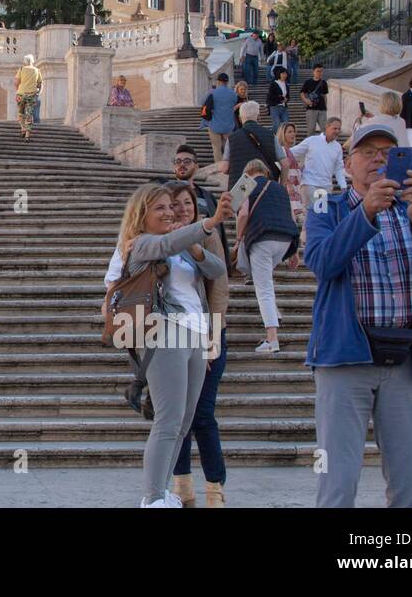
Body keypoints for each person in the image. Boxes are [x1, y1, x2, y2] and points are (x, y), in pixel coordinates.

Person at [305, 122, 412, 508]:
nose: (378, 159)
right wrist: (366, 213)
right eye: (367, 151)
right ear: (348, 163)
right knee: (336, 482)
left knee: (409, 483)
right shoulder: (327, 204)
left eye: (388, 152)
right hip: (344, 358)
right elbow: (322, 262)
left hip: (404, 360)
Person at [105, 183, 232, 507]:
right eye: (159, 208)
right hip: (164, 332)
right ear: (141, 214)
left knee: (185, 420)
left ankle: (162, 492)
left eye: (170, 207)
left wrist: (196, 247)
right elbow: (166, 241)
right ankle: (152, 498)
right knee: (168, 418)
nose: (168, 212)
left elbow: (218, 269)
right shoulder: (142, 244)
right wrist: (207, 222)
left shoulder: (180, 245)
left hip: (195, 333)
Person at [165, 180, 230, 508]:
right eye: (176, 204)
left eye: (188, 203)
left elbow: (219, 288)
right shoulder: (161, 240)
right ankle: (183, 487)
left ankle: (215, 490)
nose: (183, 209)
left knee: (202, 415)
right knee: (178, 417)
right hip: (172, 339)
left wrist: (211, 340)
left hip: (207, 334)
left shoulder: (207, 235)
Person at [235, 158, 299, 354]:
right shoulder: (279, 187)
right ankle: (275, 314)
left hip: (262, 237)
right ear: (265, 171)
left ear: (247, 172)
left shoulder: (245, 183)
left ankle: (272, 339)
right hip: (285, 239)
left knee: (263, 289)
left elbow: (243, 214)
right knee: (264, 281)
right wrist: (295, 251)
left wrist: (238, 239)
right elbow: (292, 216)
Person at [291, 116, 348, 213]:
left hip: (326, 186)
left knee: (321, 216)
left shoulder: (338, 147)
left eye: (339, 129)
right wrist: (297, 164)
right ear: (327, 127)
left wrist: (343, 186)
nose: (337, 131)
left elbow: (338, 168)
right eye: (335, 128)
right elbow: (292, 152)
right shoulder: (312, 140)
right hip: (309, 183)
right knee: (312, 215)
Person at [220, 100, 282, 186]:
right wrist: (282, 184)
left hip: (240, 187)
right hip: (266, 186)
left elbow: (224, 168)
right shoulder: (271, 135)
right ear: (258, 117)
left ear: (240, 118)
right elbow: (285, 164)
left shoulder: (231, 138)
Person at [276, 122, 307, 267]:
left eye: (293, 131)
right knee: (292, 220)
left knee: (295, 219)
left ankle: (292, 250)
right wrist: (287, 184)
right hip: (289, 189)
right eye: (289, 132)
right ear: (283, 133)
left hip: (296, 189)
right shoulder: (281, 150)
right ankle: (290, 251)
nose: (293, 134)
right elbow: (281, 168)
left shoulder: (289, 150)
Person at [202, 73, 239, 165]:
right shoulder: (233, 94)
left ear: (218, 81)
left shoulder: (212, 92)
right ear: (227, 82)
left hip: (214, 124)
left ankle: (218, 168)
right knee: (228, 148)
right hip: (228, 125)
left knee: (216, 148)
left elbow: (205, 105)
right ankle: (229, 166)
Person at [14, 55, 42, 140]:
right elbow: (40, 84)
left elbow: (16, 82)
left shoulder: (22, 69)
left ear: (25, 61)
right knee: (29, 114)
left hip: (21, 94)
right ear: (33, 61)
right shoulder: (37, 70)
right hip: (32, 95)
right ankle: (27, 134)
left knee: (21, 113)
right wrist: (39, 92)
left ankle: (22, 128)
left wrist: (17, 90)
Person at [300, 65, 329, 137]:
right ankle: (310, 147)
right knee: (311, 129)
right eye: (318, 71)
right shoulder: (308, 82)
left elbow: (325, 95)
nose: (320, 73)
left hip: (322, 109)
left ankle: (325, 145)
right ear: (313, 72)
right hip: (311, 109)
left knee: (325, 129)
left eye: (321, 71)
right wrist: (306, 100)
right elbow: (302, 93)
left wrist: (325, 106)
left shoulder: (324, 82)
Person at [266, 65, 290, 133]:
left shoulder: (286, 84)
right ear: (279, 74)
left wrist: (286, 99)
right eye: (283, 73)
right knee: (276, 125)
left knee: (286, 124)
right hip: (274, 107)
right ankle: (274, 138)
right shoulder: (273, 84)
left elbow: (288, 96)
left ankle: (283, 140)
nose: (285, 75)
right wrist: (280, 98)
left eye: (285, 73)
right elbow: (270, 96)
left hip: (283, 107)